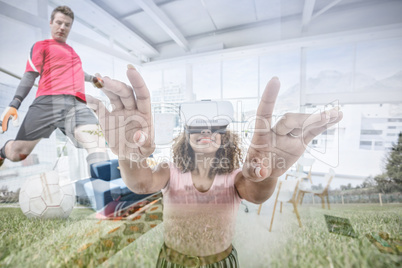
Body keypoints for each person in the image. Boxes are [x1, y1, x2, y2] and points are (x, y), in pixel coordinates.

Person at [86, 65, 343, 267]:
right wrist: (129, 155)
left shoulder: (235, 178)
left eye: (215, 126)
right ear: (186, 135)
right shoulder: (170, 171)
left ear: (225, 137)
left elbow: (255, 195)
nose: (206, 130)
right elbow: (141, 183)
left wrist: (269, 173)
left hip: (222, 263)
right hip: (173, 263)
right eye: (197, 125)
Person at [0, 6, 108, 170]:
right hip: (47, 103)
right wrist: (15, 103)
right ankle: (2, 151)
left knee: (97, 143)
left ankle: (107, 192)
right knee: (18, 154)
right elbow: (30, 74)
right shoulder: (41, 46)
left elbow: (79, 73)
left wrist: (93, 79)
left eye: (67, 24)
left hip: (75, 105)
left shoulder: (73, 53)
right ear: (51, 23)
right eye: (59, 22)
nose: (62, 27)